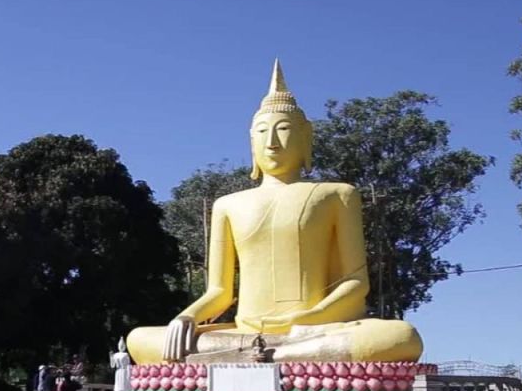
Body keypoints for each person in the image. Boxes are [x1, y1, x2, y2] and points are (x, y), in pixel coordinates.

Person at [124, 61, 422, 365]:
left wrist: (310, 318)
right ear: (251, 141)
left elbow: (356, 284)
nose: (272, 142)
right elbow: (220, 291)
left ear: (306, 138)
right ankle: (271, 355)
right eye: (262, 132)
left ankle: (262, 355)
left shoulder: (336, 194)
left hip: (313, 330)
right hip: (245, 332)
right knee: (140, 339)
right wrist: (186, 317)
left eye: (284, 130)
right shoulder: (228, 204)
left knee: (400, 337)